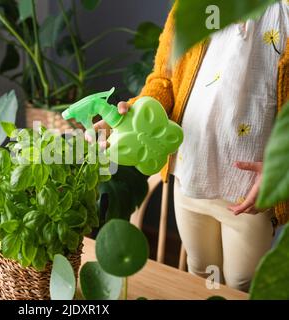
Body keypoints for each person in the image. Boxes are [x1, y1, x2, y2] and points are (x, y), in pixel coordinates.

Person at [92, 1, 289, 292]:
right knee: (200, 275)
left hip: (248, 196)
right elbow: (164, 81)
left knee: (242, 284)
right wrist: (132, 116)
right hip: (190, 178)